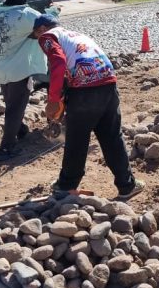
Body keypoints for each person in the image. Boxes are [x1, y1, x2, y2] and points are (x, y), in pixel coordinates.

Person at [31, 15, 145, 200]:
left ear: (42, 29)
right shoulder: (75, 35)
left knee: (77, 139)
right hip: (108, 84)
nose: (37, 40)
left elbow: (58, 63)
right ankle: (127, 185)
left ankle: (66, 186)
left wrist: (52, 100)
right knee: (112, 137)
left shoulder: (48, 37)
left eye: (36, 35)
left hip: (86, 91)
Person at [0, 0, 55, 160]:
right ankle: (7, 146)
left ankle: (20, 129)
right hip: (17, 67)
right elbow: (49, 23)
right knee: (16, 106)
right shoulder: (27, 15)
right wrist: (53, 11)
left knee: (10, 97)